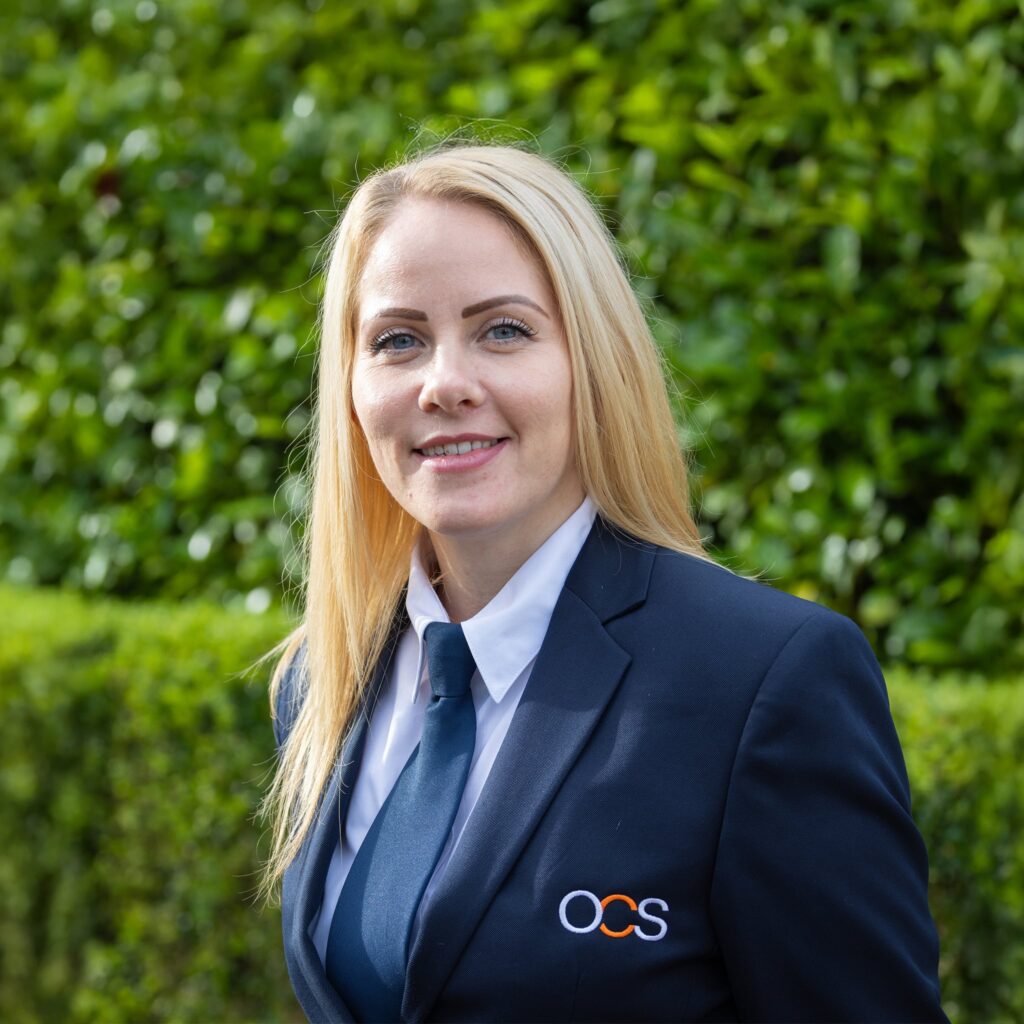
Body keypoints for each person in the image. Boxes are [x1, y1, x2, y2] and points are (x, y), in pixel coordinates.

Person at [263, 142, 947, 1023]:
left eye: (502, 330)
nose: (445, 384)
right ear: (351, 388)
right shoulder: (323, 679)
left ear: (594, 359)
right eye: (398, 340)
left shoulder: (767, 682)